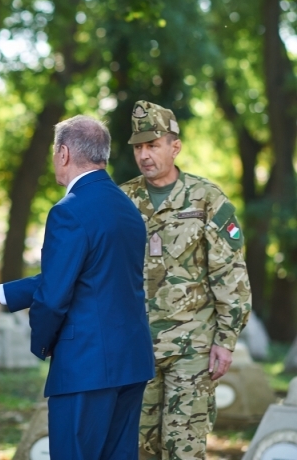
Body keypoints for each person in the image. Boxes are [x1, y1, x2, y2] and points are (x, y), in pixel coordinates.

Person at [0, 116, 155, 459]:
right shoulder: (128, 208)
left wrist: (45, 343)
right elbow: (83, 276)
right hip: (132, 362)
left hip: (85, 365)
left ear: (63, 153)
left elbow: (53, 297)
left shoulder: (69, 211)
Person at [119, 100, 251, 460]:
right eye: (138, 147)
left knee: (184, 449)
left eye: (152, 145)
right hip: (135, 347)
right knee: (136, 448)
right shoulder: (122, 199)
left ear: (174, 146)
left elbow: (230, 274)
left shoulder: (206, 199)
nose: (144, 155)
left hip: (192, 349)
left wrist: (226, 341)